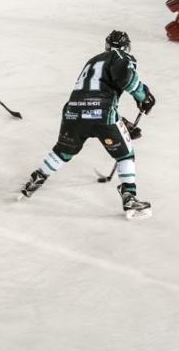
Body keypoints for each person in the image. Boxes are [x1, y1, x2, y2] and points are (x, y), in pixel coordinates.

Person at [20, 30, 155, 220]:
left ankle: (37, 177)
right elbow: (125, 79)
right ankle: (129, 196)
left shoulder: (93, 60)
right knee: (125, 155)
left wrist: (121, 123)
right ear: (127, 46)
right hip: (102, 115)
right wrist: (145, 96)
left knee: (62, 151)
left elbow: (90, 96)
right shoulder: (121, 56)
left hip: (72, 113)